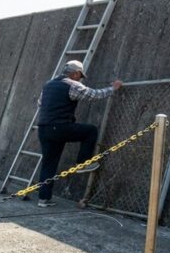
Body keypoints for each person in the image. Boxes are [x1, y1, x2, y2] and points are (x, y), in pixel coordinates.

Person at [35, 60, 123, 207]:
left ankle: (43, 199)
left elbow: (40, 103)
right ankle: (83, 163)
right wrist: (112, 88)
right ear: (75, 73)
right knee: (90, 131)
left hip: (44, 129)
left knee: (48, 164)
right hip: (60, 127)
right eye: (80, 75)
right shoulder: (72, 84)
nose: (80, 78)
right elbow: (92, 95)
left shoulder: (48, 84)